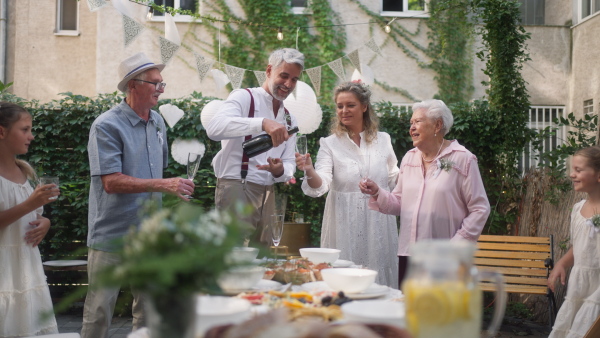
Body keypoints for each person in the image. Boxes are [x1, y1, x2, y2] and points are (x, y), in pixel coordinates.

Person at [82, 52, 195, 338]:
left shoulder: (157, 122)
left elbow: (158, 172)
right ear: (133, 85)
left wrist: (172, 188)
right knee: (98, 313)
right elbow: (111, 182)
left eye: (162, 83)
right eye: (155, 83)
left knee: (148, 312)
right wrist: (163, 184)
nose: (161, 89)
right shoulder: (106, 125)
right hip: (111, 233)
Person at [360, 99, 490, 289]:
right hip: (409, 254)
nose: (411, 128)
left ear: (438, 125)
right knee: (411, 313)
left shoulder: (463, 159)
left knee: (440, 315)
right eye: (411, 123)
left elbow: (480, 209)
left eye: (418, 122)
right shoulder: (409, 158)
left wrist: (455, 246)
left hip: (445, 257)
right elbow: (399, 202)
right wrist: (378, 192)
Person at [296, 81, 400, 288]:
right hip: (344, 223)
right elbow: (321, 184)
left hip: (378, 221)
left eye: (350, 105)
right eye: (340, 106)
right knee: (344, 277)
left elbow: (394, 179)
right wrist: (309, 170)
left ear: (364, 106)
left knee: (379, 276)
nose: (344, 110)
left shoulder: (384, 140)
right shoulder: (329, 143)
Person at [206, 48, 303, 245]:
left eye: (294, 79)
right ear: (269, 71)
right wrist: (261, 123)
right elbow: (214, 129)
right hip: (236, 187)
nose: (288, 84)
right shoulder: (244, 97)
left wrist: (281, 170)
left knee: (264, 257)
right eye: (284, 76)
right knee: (234, 257)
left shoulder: (289, 118)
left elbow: (290, 163)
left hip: (268, 191)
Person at [0, 102, 60, 337]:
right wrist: (30, 204)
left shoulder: (24, 172)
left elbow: (34, 217)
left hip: (25, 269)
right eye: (24, 130)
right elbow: (27, 208)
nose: (31, 136)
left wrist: (45, 222)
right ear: (1, 131)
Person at [547, 146, 600, 337]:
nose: (571, 174)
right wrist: (561, 263)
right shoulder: (578, 209)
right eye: (572, 169)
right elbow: (579, 247)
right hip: (580, 286)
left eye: (578, 170)